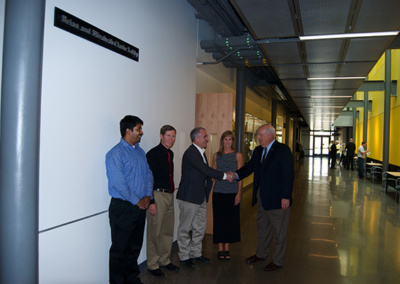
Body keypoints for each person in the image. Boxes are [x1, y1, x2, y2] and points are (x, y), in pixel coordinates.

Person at [229, 124, 294, 272]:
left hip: (278, 199)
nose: (257, 138)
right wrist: (236, 174)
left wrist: (286, 196)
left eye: (260, 135)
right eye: (258, 135)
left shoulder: (283, 150)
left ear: (270, 135)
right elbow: (249, 167)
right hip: (262, 197)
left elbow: (288, 175)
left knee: (279, 232)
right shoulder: (259, 151)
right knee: (263, 228)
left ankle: (277, 261)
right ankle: (261, 254)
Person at [105, 115, 153, 284]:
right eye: (138, 129)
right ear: (128, 130)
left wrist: (148, 196)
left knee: (134, 247)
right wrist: (137, 200)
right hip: (123, 208)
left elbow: (148, 174)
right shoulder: (115, 153)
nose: (141, 132)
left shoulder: (140, 151)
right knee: (120, 249)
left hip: (140, 206)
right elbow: (118, 183)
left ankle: (132, 278)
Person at [176, 127, 227, 268]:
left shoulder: (201, 152)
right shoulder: (191, 153)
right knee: (185, 228)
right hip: (189, 197)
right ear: (196, 138)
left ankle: (195, 253)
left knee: (200, 227)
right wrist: (224, 175)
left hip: (200, 197)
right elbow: (205, 170)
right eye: (204, 136)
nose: (206, 139)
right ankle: (184, 256)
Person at [146, 125, 179, 278]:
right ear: (161, 136)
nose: (171, 139)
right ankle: (153, 264)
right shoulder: (153, 154)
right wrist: (151, 201)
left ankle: (165, 260)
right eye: (168, 136)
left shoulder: (170, 153)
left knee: (167, 230)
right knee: (155, 232)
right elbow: (148, 179)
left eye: (173, 136)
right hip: (157, 195)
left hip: (169, 195)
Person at [212, 131, 243, 260]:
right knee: (219, 220)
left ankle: (227, 248)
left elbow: (240, 176)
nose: (227, 142)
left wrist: (239, 193)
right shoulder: (216, 156)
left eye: (230, 139)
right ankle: (220, 248)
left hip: (232, 193)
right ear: (222, 141)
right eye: (225, 139)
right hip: (218, 193)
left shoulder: (238, 155)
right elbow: (213, 174)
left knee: (230, 221)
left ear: (233, 141)